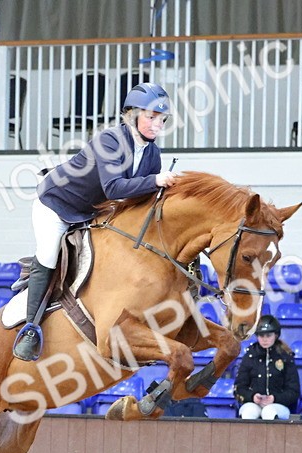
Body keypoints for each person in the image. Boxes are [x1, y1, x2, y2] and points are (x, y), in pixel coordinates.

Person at [13, 82, 179, 362]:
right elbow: (114, 188)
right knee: (49, 255)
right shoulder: (110, 141)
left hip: (92, 211)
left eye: (161, 119)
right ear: (132, 115)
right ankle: (31, 329)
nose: (157, 125)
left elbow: (142, 198)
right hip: (57, 204)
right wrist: (155, 180)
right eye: (150, 117)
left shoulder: (152, 153)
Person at [234, 315, 300, 421]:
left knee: (269, 412)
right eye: (261, 335)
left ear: (276, 335)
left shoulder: (285, 357)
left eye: (268, 335)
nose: (265, 339)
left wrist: (275, 398)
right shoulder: (250, 356)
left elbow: (294, 391)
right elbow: (239, 388)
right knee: (248, 412)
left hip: (278, 405)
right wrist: (252, 397)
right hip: (253, 403)